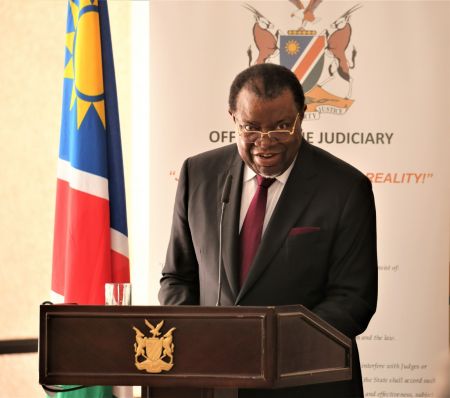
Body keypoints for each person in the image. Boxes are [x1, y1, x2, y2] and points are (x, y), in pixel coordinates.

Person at [159, 63, 378, 397]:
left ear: (302, 117)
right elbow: (177, 278)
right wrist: (196, 340)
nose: (266, 142)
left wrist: (267, 348)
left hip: (306, 382)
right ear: (232, 118)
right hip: (214, 382)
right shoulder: (198, 175)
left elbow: (353, 298)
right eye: (251, 128)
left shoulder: (345, 188)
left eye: (281, 127)